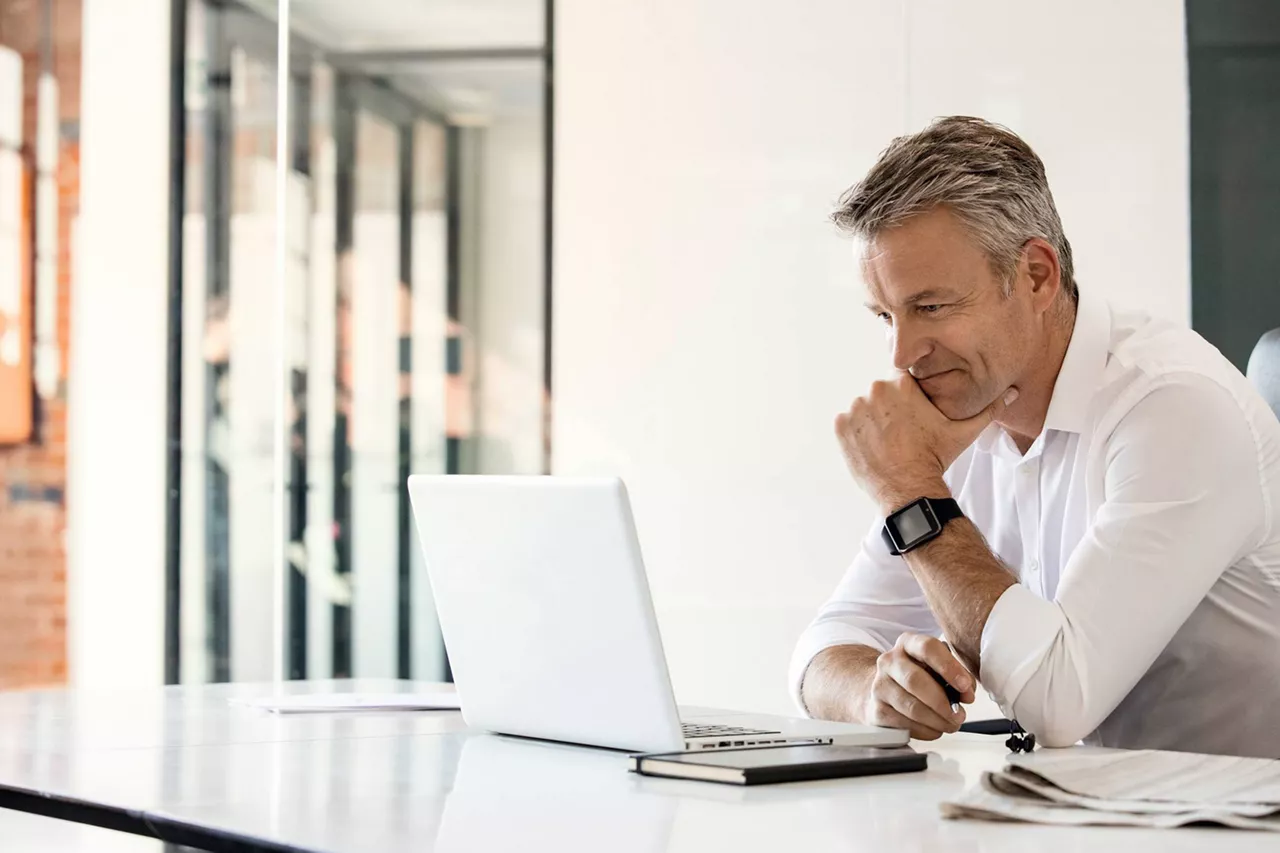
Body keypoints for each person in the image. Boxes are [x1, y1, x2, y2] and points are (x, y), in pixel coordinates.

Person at [791, 116, 1280, 757]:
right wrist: (871, 692)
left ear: (1037, 276)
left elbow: (1057, 701)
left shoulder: (1174, 405)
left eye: (931, 307)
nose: (901, 355)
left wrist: (910, 494)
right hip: (1089, 810)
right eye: (887, 315)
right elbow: (825, 643)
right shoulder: (967, 406)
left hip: (1231, 823)